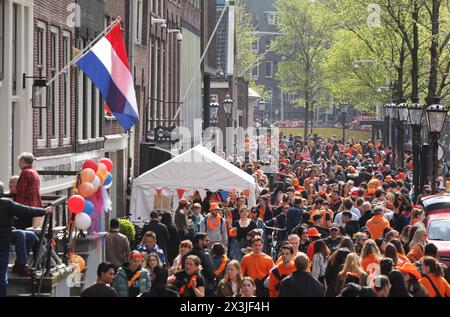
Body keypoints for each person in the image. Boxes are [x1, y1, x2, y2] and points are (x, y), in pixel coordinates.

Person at [0, 183, 54, 297]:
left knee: (30, 235)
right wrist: (43, 211)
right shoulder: (6, 203)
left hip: (6, 236)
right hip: (3, 242)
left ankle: (20, 264)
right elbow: (26, 210)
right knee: (2, 273)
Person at [7, 176, 38, 277]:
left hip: (13, 227)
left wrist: (43, 211)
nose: (10, 187)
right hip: (7, 230)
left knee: (32, 236)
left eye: (12, 184)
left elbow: (24, 211)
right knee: (20, 234)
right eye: (9, 184)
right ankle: (22, 265)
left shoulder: (14, 198)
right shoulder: (7, 200)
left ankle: (19, 264)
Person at [14, 153, 43, 229]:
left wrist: (16, 208)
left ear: (23, 161)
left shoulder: (25, 172)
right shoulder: (34, 172)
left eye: (19, 161)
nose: (18, 164)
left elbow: (21, 191)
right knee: (31, 230)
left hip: (26, 208)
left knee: (22, 230)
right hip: (34, 207)